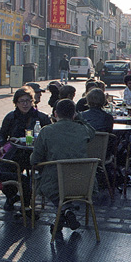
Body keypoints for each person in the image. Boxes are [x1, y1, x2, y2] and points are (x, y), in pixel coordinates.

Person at [30, 99, 96, 231]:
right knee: (62, 187)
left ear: (55, 114)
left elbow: (34, 160)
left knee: (46, 184)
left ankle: (66, 210)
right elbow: (92, 131)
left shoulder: (46, 131)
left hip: (54, 183)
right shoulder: (83, 129)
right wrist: (80, 118)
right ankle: (66, 213)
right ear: (74, 114)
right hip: (83, 182)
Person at [0, 86, 52, 171]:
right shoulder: (11, 117)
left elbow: (49, 137)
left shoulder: (42, 117)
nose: (25, 104)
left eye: (27, 101)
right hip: (16, 152)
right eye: (21, 101)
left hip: (36, 153)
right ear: (16, 103)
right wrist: (2, 145)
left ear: (32, 102)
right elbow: (2, 134)